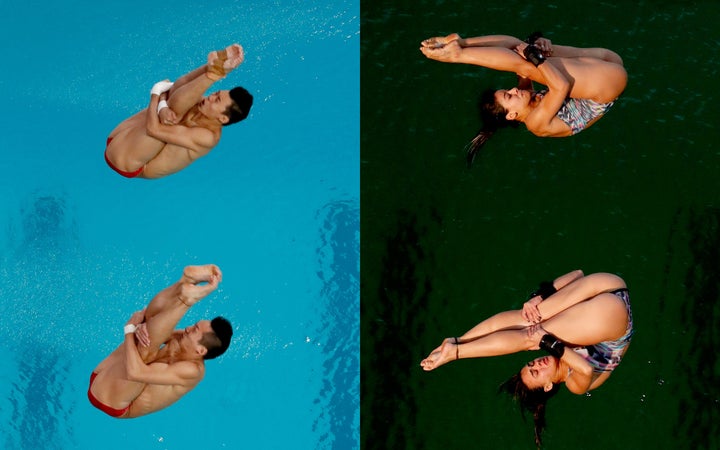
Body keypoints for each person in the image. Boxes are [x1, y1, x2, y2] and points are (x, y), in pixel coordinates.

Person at [420, 270, 633, 448]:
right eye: (536, 373)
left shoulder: (563, 342)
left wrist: (538, 296)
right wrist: (546, 341)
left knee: (527, 319)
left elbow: (577, 274)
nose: (537, 364)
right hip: (615, 314)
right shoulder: (573, 383)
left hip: (609, 288)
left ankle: (458, 341)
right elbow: (585, 370)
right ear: (548, 386)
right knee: (532, 337)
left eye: (531, 364)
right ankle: (455, 351)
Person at [420, 33, 627, 166]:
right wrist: (534, 57)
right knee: (527, 63)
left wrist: (538, 46)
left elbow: (515, 47)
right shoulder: (536, 124)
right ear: (512, 115)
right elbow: (560, 86)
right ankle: (457, 55)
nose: (513, 90)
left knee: (522, 50)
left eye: (508, 90)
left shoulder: (525, 98)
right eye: (508, 96)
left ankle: (460, 42)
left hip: (609, 61)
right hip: (605, 87)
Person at [88, 264, 233, 418]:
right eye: (194, 325)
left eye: (195, 330)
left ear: (201, 350)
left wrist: (129, 330)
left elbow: (134, 372)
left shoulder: (192, 370)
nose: (188, 328)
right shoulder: (185, 339)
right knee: (147, 327)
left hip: (112, 402)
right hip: (102, 374)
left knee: (146, 348)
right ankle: (184, 283)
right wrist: (138, 327)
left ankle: (186, 302)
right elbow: (152, 323)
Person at [105, 44, 254, 179]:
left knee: (173, 113)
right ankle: (211, 69)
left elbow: (153, 129)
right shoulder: (202, 106)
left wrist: (156, 94)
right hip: (124, 134)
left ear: (223, 119)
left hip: (128, 161)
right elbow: (177, 84)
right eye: (215, 94)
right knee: (177, 97)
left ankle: (213, 75)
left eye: (216, 100)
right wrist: (163, 103)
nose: (210, 97)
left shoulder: (207, 137)